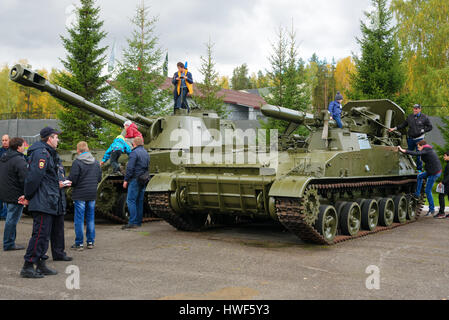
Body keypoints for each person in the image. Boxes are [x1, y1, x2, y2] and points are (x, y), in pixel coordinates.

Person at [19, 127, 62, 278]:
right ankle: (28, 265)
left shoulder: (47, 153)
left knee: (44, 235)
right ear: (49, 139)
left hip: (47, 199)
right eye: (56, 138)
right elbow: (34, 177)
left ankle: (41, 263)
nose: (58, 140)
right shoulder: (41, 153)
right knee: (40, 234)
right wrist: (28, 196)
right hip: (42, 199)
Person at [67, 141, 102, 251]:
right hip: (91, 193)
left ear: (78, 150)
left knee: (79, 219)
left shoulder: (77, 162)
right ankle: (90, 242)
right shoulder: (96, 163)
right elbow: (99, 178)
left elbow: (73, 179)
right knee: (90, 218)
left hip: (80, 194)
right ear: (87, 149)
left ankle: (79, 243)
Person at [398, 140, 442, 216]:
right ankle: (417, 194)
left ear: (422, 145)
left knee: (428, 191)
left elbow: (417, 153)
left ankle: (431, 209)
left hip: (434, 173)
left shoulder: (426, 150)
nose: (417, 148)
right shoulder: (427, 149)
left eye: (418, 147)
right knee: (419, 176)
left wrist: (404, 150)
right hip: (430, 171)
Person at [0, 137, 27, 251]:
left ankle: (9, 241)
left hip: (6, 192)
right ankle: (9, 243)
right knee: (12, 219)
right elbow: (25, 178)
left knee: (10, 218)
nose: (25, 147)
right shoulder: (18, 160)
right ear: (18, 147)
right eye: (23, 145)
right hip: (16, 194)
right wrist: (27, 193)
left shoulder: (4, 157)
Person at [389, 104, 433, 172]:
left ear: (419, 109)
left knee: (419, 156)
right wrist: (394, 128)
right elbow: (403, 125)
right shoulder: (410, 117)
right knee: (407, 153)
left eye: (416, 109)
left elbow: (430, 127)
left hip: (420, 139)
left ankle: (419, 169)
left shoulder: (424, 117)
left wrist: (423, 130)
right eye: (414, 108)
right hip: (411, 139)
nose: (414, 110)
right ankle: (407, 169)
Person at [122, 136, 149, 229]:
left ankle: (132, 222)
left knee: (131, 200)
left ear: (134, 144)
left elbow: (130, 168)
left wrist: (126, 180)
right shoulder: (146, 153)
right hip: (143, 178)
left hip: (135, 179)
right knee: (139, 201)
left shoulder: (134, 153)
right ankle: (138, 222)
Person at [435, 151, 449, 219]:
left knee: (441, 196)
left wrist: (442, 182)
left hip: (447, 184)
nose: (444, 157)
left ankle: (441, 213)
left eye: (445, 156)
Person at [0, 134, 10, 220]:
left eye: (6, 140)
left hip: (9, 178)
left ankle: (4, 214)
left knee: (7, 198)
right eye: (3, 140)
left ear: (9, 140)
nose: (4, 142)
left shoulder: (13, 151)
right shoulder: (0, 151)